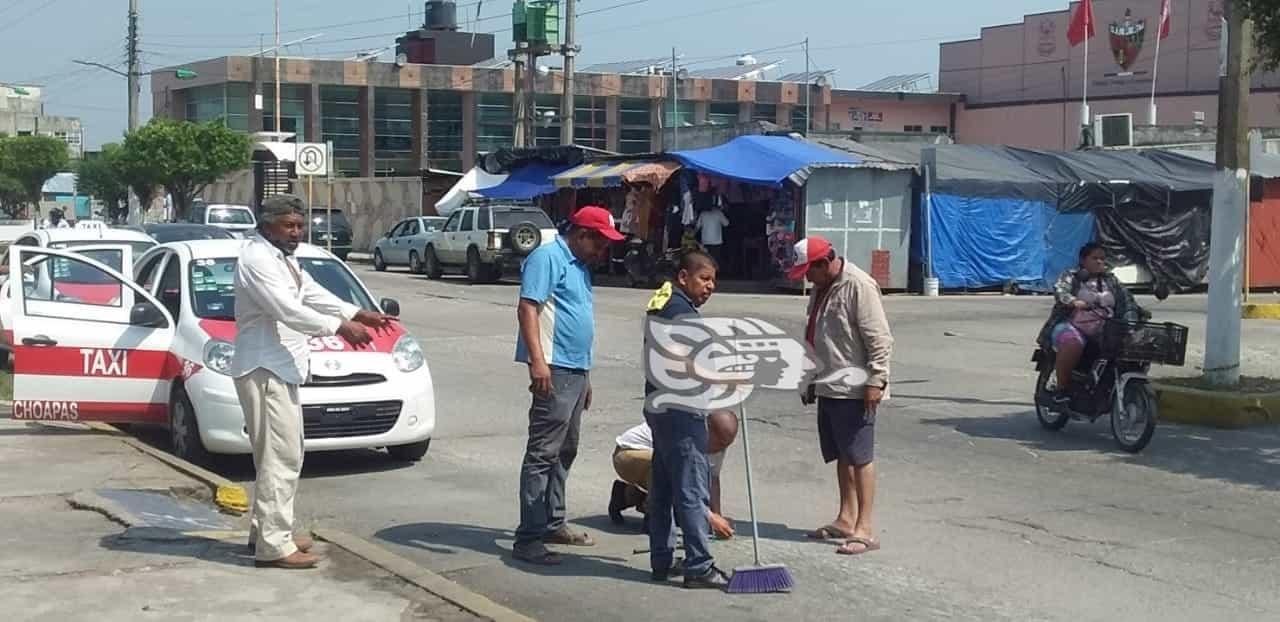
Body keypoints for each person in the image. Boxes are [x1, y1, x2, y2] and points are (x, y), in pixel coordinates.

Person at [231, 194, 394, 570]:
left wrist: (356, 312)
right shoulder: (256, 258)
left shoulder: (281, 259)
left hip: (278, 368)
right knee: (281, 457)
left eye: (300, 225)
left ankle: (269, 531)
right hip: (264, 367)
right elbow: (286, 309)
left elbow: (309, 293)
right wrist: (340, 327)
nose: (297, 232)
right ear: (267, 223)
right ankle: (273, 545)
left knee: (277, 456)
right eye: (289, 225)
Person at [513, 205, 624, 566]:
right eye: (600, 243)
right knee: (543, 453)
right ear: (582, 235)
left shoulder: (579, 266)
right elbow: (528, 308)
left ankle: (553, 522)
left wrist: (586, 375)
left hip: (575, 370)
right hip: (554, 368)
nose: (603, 251)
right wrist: (538, 361)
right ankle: (528, 538)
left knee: (566, 449)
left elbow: (577, 318)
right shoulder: (547, 257)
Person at [790, 236, 894, 556]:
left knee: (860, 457)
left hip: (856, 388)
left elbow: (880, 339)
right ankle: (846, 518)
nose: (807, 278)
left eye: (810, 271)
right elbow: (816, 335)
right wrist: (808, 379)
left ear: (825, 262)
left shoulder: (858, 286)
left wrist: (876, 381)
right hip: (829, 384)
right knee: (842, 455)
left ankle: (864, 527)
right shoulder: (822, 288)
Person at [643, 250, 731, 589]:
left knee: (664, 487)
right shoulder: (681, 313)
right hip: (681, 410)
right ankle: (699, 565)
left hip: (660, 406)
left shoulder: (663, 302)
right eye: (704, 279)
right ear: (683, 277)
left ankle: (661, 559)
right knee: (693, 488)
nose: (710, 287)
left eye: (713, 281)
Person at [1038, 243, 1142, 404]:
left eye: (1102, 258)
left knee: (1136, 343)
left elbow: (1127, 301)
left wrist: (1133, 316)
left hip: (1105, 327)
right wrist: (1072, 301)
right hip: (1071, 325)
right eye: (1095, 258)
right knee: (1073, 344)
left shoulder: (1111, 280)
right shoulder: (1071, 276)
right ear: (1083, 260)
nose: (1100, 262)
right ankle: (1061, 389)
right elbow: (1060, 291)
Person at [607, 412, 738, 540]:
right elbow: (682, 480)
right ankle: (653, 516)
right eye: (720, 443)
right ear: (707, 427)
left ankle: (623, 496)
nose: (722, 448)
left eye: (727, 444)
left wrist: (718, 516)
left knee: (682, 509)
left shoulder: (719, 444)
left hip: (650, 462)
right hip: (627, 454)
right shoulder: (686, 434)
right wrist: (710, 517)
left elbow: (713, 480)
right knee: (666, 471)